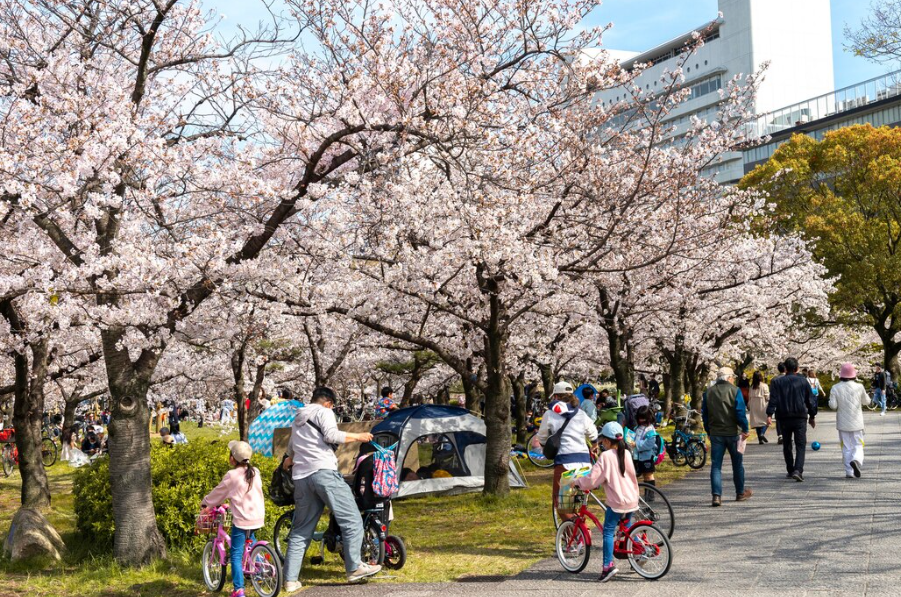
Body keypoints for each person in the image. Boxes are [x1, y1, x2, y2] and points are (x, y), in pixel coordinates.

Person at [282, 387, 380, 594]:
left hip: (301, 478)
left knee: (300, 531)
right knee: (352, 519)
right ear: (328, 403)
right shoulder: (323, 412)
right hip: (324, 473)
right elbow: (331, 434)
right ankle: (354, 567)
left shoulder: (298, 418)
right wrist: (359, 436)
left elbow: (291, 451)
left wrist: (290, 462)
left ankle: (290, 580)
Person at [568, 422, 639, 583]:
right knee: (626, 530)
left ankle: (608, 566)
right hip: (632, 498)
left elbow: (592, 480)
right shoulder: (626, 453)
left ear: (606, 441)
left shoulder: (606, 456)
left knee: (608, 531)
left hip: (617, 502)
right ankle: (637, 554)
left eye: (602, 441)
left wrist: (578, 482)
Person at [201, 440, 264, 597]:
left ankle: (238, 590)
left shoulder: (232, 475)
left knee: (235, 555)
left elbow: (218, 493)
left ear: (233, 458)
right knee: (251, 543)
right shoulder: (255, 471)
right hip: (257, 517)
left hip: (242, 521)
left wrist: (205, 503)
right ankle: (260, 565)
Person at [537, 381, 599, 521]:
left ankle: (575, 537)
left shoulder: (550, 414)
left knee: (563, 506)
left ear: (556, 397)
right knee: (577, 504)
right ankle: (582, 533)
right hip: (584, 464)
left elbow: (541, 437)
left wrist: (545, 445)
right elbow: (593, 433)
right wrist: (594, 444)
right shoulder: (580, 413)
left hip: (565, 464)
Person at [702, 367, 752, 506]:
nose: (734, 379)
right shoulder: (735, 391)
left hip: (716, 434)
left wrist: (708, 431)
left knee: (716, 466)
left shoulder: (708, 392)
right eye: (733, 377)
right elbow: (740, 412)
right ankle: (740, 493)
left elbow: (705, 415)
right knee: (737, 464)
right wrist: (745, 428)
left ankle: (716, 496)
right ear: (729, 377)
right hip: (733, 433)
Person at [767, 357, 817, 482]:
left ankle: (790, 469)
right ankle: (798, 470)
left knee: (787, 444)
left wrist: (769, 414)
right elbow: (810, 400)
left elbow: (773, 399)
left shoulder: (777, 382)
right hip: (800, 416)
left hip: (783, 416)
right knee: (800, 444)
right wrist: (812, 416)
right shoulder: (803, 381)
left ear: (785, 368)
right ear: (797, 368)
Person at [828, 363, 871, 478]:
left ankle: (849, 472)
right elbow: (867, 402)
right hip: (857, 422)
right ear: (854, 375)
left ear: (841, 375)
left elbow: (833, 406)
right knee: (858, 444)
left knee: (846, 446)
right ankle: (856, 460)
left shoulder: (835, 388)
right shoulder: (859, 387)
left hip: (843, 423)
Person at [629, 405, 660, 502]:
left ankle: (649, 496)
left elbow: (649, 444)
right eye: (639, 418)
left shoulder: (650, 430)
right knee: (634, 475)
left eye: (643, 418)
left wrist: (636, 444)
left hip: (646, 457)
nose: (641, 420)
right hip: (636, 457)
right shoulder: (637, 427)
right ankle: (634, 496)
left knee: (648, 475)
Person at [748, 371, 771, 444]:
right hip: (762, 404)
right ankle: (762, 434)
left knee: (757, 422)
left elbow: (749, 397)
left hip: (754, 405)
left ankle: (760, 439)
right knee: (765, 422)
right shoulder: (764, 385)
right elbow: (767, 397)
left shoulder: (751, 387)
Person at [772, 362, 786, 444]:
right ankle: (787, 435)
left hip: (778, 402)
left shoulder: (774, 379)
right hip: (788, 402)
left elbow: (772, 393)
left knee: (779, 419)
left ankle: (780, 435)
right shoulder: (790, 378)